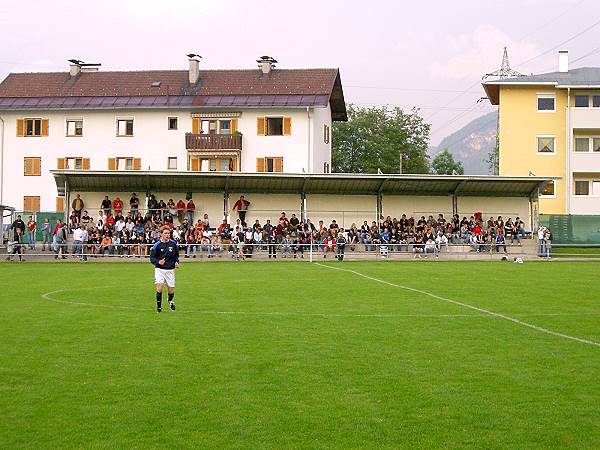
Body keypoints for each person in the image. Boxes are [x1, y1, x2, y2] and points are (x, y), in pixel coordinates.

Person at [149, 226, 180, 313]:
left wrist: (177, 262)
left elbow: (176, 255)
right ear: (161, 234)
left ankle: (170, 301)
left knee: (171, 290)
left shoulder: (173, 244)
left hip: (170, 270)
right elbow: (152, 258)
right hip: (160, 270)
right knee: (159, 288)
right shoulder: (157, 245)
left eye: (168, 233)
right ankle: (159, 307)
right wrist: (158, 262)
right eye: (165, 233)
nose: (167, 235)